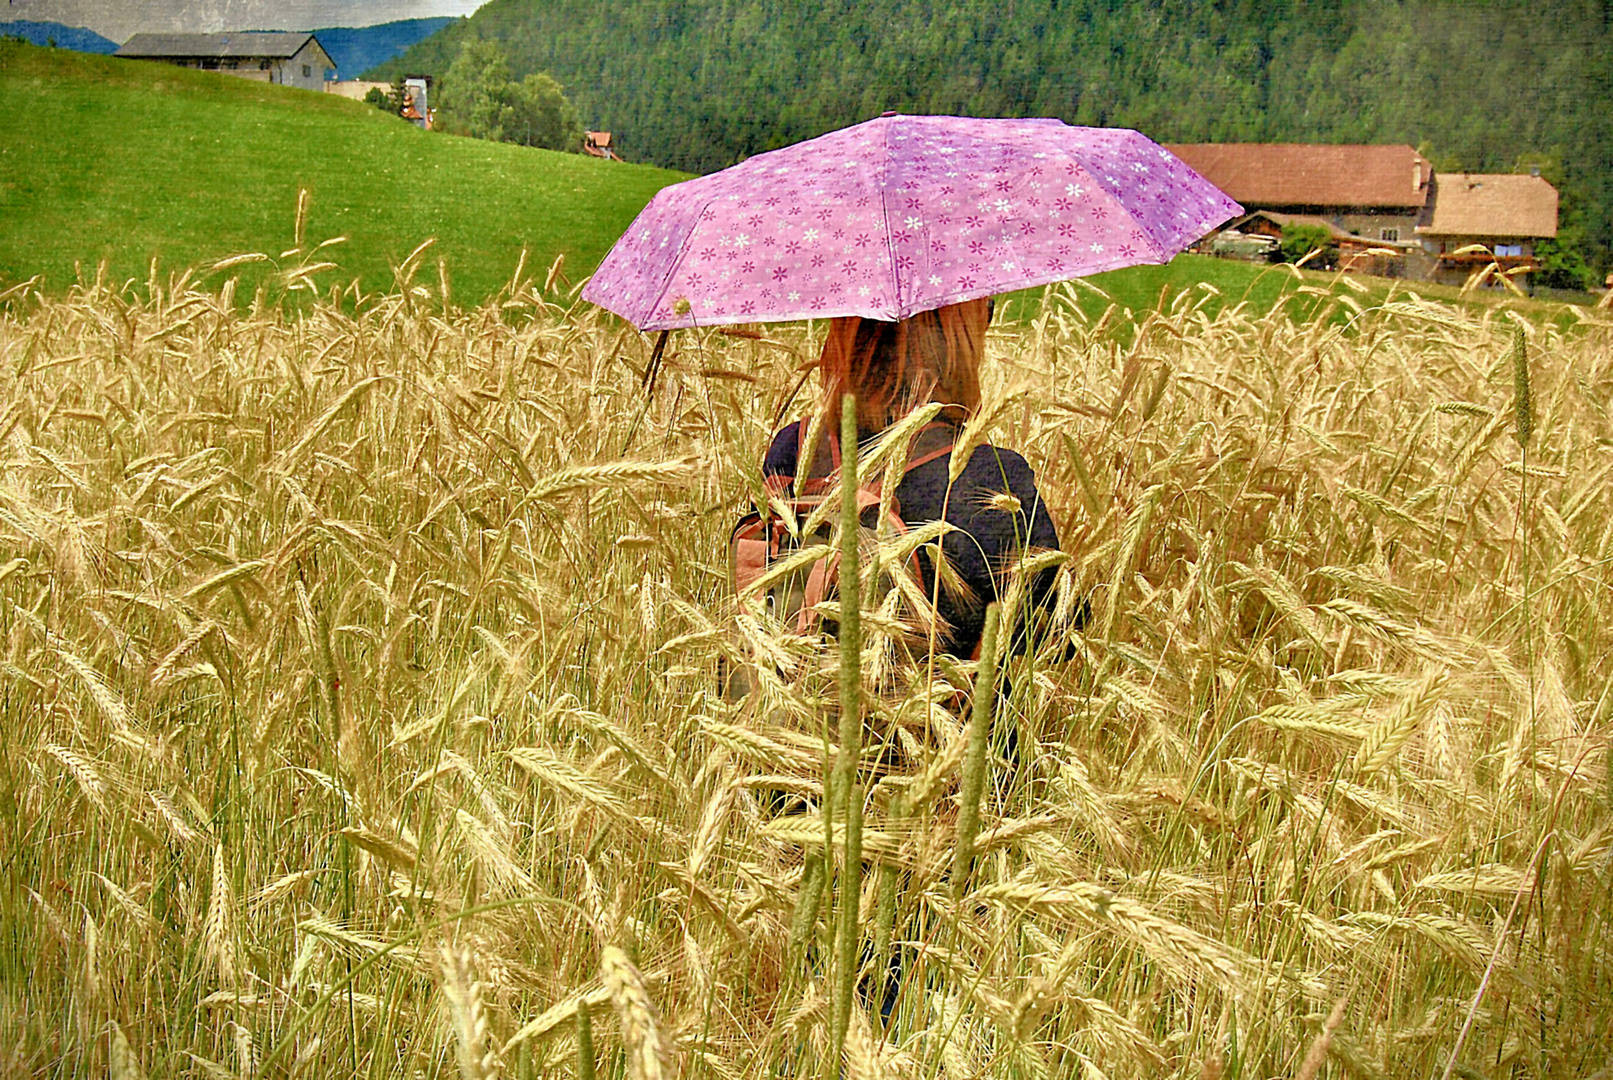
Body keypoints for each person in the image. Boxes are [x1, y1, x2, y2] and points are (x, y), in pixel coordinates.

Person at [759, 297, 1062, 661]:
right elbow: (1057, 629)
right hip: (954, 714)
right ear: (958, 347)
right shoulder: (992, 476)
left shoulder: (793, 447)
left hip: (802, 706)